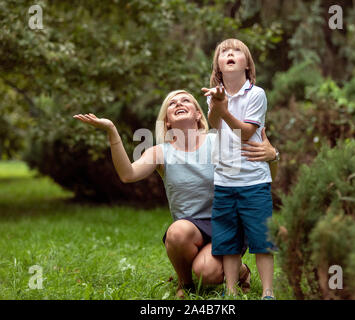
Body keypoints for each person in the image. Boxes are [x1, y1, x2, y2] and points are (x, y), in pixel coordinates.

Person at [73, 89, 278, 298]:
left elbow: (260, 174)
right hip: (190, 228)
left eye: (186, 100)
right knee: (177, 232)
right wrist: (111, 130)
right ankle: (185, 283)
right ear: (168, 121)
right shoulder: (160, 152)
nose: (179, 103)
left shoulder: (218, 142)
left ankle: (241, 271)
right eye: (172, 103)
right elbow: (128, 174)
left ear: (199, 114)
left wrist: (272, 156)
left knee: (206, 274)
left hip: (226, 223)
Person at [202, 38, 278, 299]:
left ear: (247, 65)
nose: (229, 54)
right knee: (228, 241)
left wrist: (223, 110)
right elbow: (214, 124)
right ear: (218, 68)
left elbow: (245, 133)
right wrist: (218, 104)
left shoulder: (256, 94)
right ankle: (232, 290)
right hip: (224, 181)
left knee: (262, 240)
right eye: (223, 53)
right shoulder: (214, 95)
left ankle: (268, 291)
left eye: (236, 52)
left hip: (254, 181)